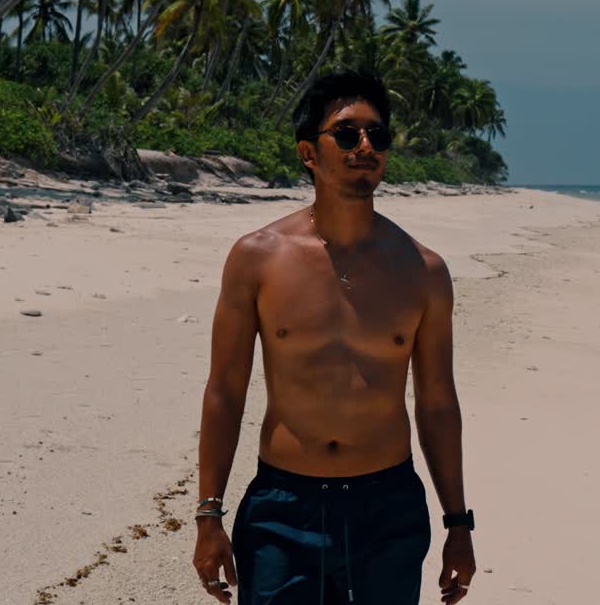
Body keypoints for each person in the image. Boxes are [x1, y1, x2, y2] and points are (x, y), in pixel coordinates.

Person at [192, 72, 477, 604]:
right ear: (308, 152)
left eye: (377, 135)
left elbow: (438, 404)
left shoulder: (424, 271)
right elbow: (225, 390)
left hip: (388, 507)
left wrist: (458, 524)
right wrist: (209, 515)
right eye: (347, 134)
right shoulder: (257, 258)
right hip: (283, 505)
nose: (365, 146)